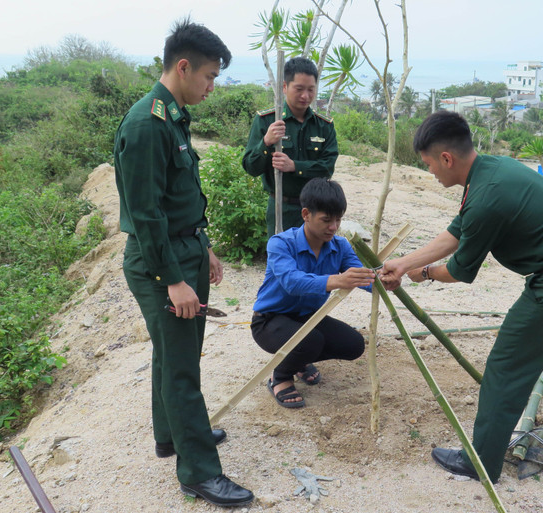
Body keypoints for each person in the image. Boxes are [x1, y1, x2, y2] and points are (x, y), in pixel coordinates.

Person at [380, 111, 543, 484]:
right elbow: (457, 232)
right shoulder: (492, 170)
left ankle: (481, 463)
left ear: (447, 159)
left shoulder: (487, 197)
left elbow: (458, 270)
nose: (431, 172)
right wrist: (403, 263)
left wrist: (422, 275)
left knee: (505, 368)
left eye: (429, 164)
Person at [114, 17, 253, 507]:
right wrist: (172, 280)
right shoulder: (147, 123)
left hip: (186, 247)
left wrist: (205, 243)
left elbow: (177, 197)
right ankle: (197, 472)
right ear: (184, 66)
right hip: (161, 261)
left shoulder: (173, 116)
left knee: (177, 354)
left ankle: (170, 435)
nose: (212, 87)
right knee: (180, 369)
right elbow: (146, 215)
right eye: (210, 77)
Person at [250, 178, 375, 409]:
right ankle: (280, 376)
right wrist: (337, 280)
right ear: (306, 214)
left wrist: (381, 281)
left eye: (338, 220)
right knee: (310, 341)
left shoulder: (341, 246)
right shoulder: (280, 244)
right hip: (269, 321)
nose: (333, 227)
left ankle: (297, 360)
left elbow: (360, 275)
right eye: (326, 220)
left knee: (354, 345)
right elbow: (292, 282)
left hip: (308, 317)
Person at [242, 57, 338, 237]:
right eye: (299, 89)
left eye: (311, 90)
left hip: (315, 211)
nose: (305, 96)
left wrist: (295, 166)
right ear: (285, 87)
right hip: (280, 208)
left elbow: (327, 168)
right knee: (280, 261)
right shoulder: (267, 121)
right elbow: (250, 167)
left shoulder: (324, 126)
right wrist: (266, 142)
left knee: (313, 262)